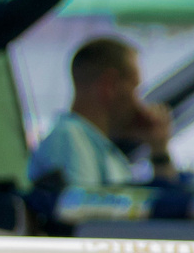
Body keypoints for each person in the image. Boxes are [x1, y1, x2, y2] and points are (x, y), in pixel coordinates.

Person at [27, 36, 182, 193]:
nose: (139, 103)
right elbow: (84, 215)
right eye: (135, 89)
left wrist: (159, 149)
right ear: (110, 85)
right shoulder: (69, 139)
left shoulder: (101, 149)